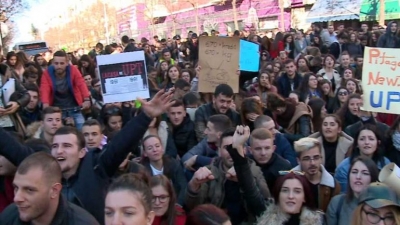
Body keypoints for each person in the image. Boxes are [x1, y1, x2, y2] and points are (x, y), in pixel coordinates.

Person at [0, 89, 175, 224]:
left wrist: (146, 116)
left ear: (82, 152)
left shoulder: (96, 167)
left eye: (67, 146)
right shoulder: (42, 168)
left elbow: (120, 144)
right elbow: (12, 148)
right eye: (55, 146)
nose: (59, 151)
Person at [226, 125, 325, 225]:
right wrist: (238, 147)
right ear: (278, 196)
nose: (291, 196)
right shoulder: (266, 215)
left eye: (297, 191)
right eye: (285, 190)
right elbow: (250, 189)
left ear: (304, 197)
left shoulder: (316, 221)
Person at [0, 152, 99, 225]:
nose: (17, 198)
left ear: (54, 191)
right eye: (16, 188)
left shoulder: (83, 222)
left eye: (29, 190)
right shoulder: (9, 216)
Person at [326, 156, 379, 225]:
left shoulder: (380, 207)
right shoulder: (337, 203)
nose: (358, 177)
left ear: (373, 178)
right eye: (354, 172)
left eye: (365, 173)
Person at [292, 137, 341, 212]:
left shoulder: (333, 186)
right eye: (307, 158)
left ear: (321, 158)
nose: (312, 163)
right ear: (298, 161)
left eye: (316, 157)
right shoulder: (289, 182)